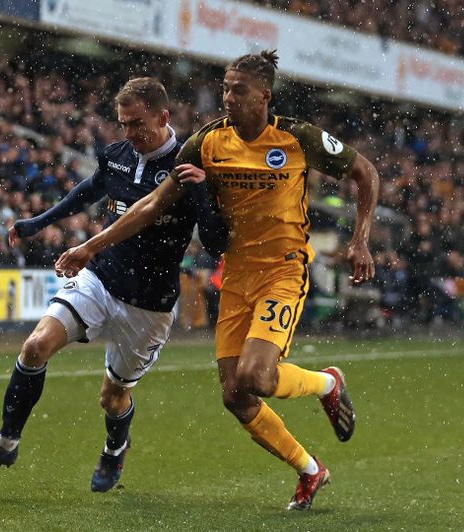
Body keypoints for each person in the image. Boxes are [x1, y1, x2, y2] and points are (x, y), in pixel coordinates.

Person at [55, 50, 380, 511]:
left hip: (283, 270)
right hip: (236, 275)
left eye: (239, 89)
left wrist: (360, 240)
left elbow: (365, 172)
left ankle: (327, 384)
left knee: (256, 376)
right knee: (234, 395)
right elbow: (151, 205)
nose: (228, 96)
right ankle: (311, 471)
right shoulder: (208, 141)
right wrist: (92, 246)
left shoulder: (297, 136)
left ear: (264, 94)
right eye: (225, 87)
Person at [0, 78, 226, 492]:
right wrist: (40, 222)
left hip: (149, 305)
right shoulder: (117, 154)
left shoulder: (188, 166)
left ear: (163, 117)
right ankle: (5, 442)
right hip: (101, 278)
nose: (129, 133)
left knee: (112, 398)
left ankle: (115, 450)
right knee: (34, 346)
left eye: (137, 124)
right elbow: (89, 190)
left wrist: (204, 193)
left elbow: (216, 240)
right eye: (123, 124)